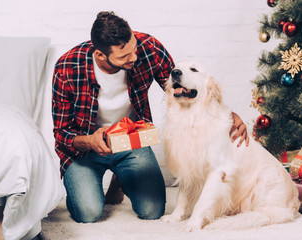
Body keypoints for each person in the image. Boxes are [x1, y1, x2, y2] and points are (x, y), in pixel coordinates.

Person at [52, 11, 248, 223]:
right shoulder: (67, 68)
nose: (134, 57)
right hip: (86, 150)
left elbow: (182, 89)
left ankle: (120, 177)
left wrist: (227, 114)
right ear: (100, 55)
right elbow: (62, 132)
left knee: (152, 211)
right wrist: (89, 141)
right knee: (88, 213)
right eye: (124, 56)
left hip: (130, 141)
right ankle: (96, 182)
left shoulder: (149, 47)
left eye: (134, 48)